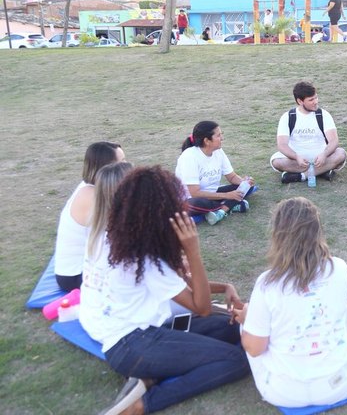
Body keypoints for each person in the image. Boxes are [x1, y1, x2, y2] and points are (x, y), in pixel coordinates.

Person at [80, 166, 250, 415]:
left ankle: (149, 376)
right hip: (131, 344)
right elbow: (202, 307)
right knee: (235, 360)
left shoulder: (113, 235)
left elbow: (183, 284)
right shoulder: (144, 257)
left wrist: (225, 287)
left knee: (233, 327)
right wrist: (193, 251)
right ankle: (141, 405)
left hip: (147, 329)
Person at [235, 197, 347, 408]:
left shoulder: (267, 283)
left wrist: (248, 320)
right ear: (318, 231)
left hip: (282, 393)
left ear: (277, 236)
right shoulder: (339, 268)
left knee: (249, 323)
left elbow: (254, 350)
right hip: (339, 385)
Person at [53, 141, 125, 291]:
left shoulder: (95, 188)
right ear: (107, 167)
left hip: (87, 265)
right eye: (122, 161)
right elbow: (121, 231)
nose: (127, 165)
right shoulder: (91, 196)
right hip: (75, 274)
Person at [175, 121, 256, 226]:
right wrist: (227, 196)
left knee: (247, 187)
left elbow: (232, 177)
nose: (222, 138)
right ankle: (229, 206)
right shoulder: (189, 157)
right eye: (218, 135)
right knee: (192, 204)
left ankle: (222, 210)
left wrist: (244, 182)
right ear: (207, 141)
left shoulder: (218, 152)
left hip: (213, 193)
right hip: (191, 199)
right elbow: (195, 193)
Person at [271, 81, 346, 183]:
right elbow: (282, 145)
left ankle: (302, 176)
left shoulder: (324, 115)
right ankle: (322, 171)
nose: (316, 102)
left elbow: (334, 141)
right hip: (297, 160)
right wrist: (296, 157)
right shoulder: (288, 117)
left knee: (341, 154)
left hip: (320, 158)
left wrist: (324, 154)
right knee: (276, 161)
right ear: (300, 101)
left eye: (316, 98)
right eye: (311, 100)